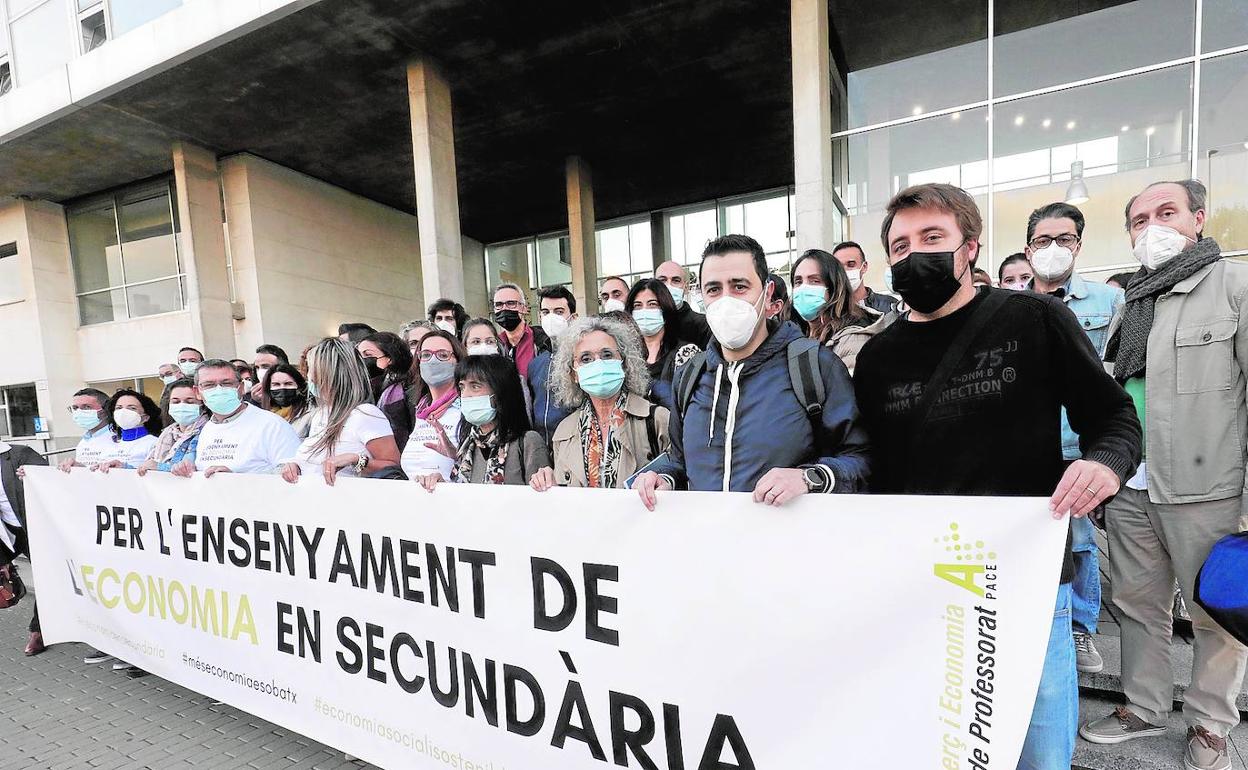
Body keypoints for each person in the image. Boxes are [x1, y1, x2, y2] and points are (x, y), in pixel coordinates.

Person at [852, 182, 1142, 770]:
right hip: (921, 581)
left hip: (1027, 576)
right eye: (901, 245)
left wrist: (1105, 465)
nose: (915, 254)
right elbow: (873, 463)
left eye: (933, 237)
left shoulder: (1034, 317)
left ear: (971, 248)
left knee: (1038, 742)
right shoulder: (878, 357)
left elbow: (1114, 416)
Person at [1081, 180, 1248, 770]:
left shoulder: (1234, 286)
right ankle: (1143, 705)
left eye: (1167, 212)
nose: (1152, 226)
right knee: (1136, 602)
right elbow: (1114, 393)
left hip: (1209, 487)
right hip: (1132, 484)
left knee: (1212, 613)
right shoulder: (1130, 301)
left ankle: (1209, 723)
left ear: (1197, 220)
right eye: (1139, 219)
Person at [632, 234, 870, 508]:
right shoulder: (690, 375)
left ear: (767, 293)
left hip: (786, 546)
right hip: (707, 544)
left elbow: (860, 458)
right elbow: (680, 461)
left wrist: (809, 478)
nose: (726, 300)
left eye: (739, 287)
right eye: (713, 289)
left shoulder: (814, 365)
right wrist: (665, 478)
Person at [1024, 201, 1126, 674]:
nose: (1053, 249)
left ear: (1079, 245)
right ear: (1028, 249)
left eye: (1063, 240)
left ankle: (1081, 629)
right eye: (1043, 241)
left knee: (1082, 543)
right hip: (1030, 446)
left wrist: (1110, 453)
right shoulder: (1013, 309)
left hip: (1082, 446)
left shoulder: (1107, 304)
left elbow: (1116, 384)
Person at [531, 314, 670, 490]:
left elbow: (680, 476)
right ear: (574, 373)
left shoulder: (657, 420)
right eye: (586, 359)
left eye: (607, 354)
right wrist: (547, 480)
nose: (598, 363)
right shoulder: (564, 432)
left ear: (624, 363)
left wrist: (665, 479)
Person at [417, 355, 548, 490]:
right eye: (462, 387)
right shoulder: (468, 446)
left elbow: (541, 500)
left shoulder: (528, 442)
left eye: (475, 386)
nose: (465, 394)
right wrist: (439, 486)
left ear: (500, 393)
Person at [280, 339, 400, 485]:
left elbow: (393, 467)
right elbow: (314, 462)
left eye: (311, 368)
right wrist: (295, 466)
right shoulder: (320, 414)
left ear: (328, 373)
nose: (308, 376)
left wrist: (356, 460)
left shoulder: (365, 414)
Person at [173, 359, 300, 477]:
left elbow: (292, 472)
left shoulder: (272, 425)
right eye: (209, 385)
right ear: (197, 392)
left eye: (226, 383)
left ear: (241, 387)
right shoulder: (207, 429)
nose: (219, 390)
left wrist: (237, 478)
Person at [791, 248, 894, 372]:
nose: (804, 288)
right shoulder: (799, 333)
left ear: (834, 288)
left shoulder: (852, 339)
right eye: (798, 281)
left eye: (815, 281)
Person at [1, 437, 47, 656]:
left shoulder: (19, 453)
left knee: (47, 577)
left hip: (36, 527)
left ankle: (38, 631)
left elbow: (50, 484)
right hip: (6, 531)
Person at [400, 330, 467, 482]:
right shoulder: (419, 410)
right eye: (426, 355)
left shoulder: (467, 408)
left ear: (458, 361)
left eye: (443, 355)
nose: (433, 361)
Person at [627, 278, 701, 412]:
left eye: (652, 304)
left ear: (665, 308)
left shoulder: (687, 353)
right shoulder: (626, 356)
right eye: (637, 305)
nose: (644, 311)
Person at [528, 286, 578, 446]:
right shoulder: (536, 363)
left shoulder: (581, 358)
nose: (551, 317)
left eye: (558, 312)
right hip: (542, 446)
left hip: (573, 444)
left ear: (574, 317)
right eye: (545, 312)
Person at [358, 331, 419, 451]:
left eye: (367, 355)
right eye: (358, 356)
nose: (361, 360)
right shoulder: (366, 390)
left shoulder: (405, 389)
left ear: (389, 358)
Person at [133, 379, 209, 474]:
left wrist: (159, 467)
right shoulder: (167, 433)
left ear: (202, 405)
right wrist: (123, 466)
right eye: (176, 402)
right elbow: (147, 465)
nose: (182, 406)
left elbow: (192, 470)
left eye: (189, 402)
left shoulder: (207, 432)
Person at [89, 389, 162, 469]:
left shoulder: (154, 443)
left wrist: (125, 467)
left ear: (145, 417)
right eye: (119, 408)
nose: (123, 412)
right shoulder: (109, 444)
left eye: (132, 408)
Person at [492, 283, 551, 379]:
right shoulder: (494, 345)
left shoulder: (543, 341)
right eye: (498, 305)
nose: (504, 308)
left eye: (511, 303)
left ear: (524, 308)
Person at [831, 240, 899, 314]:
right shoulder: (831, 311)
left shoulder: (889, 306)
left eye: (851, 265)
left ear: (864, 267)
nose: (844, 271)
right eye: (839, 267)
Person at [655, 261, 711, 345]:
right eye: (662, 280)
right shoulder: (646, 324)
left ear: (686, 287)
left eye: (676, 281)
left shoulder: (703, 326)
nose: (668, 286)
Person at [259, 363, 312, 436]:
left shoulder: (310, 414)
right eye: (276, 384)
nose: (282, 388)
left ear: (299, 386)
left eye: (288, 384)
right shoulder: (262, 416)